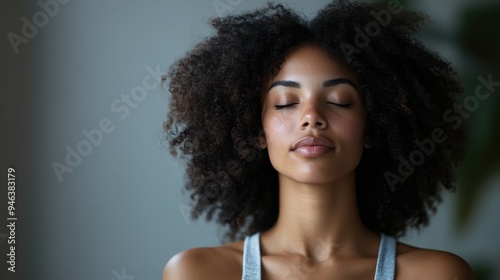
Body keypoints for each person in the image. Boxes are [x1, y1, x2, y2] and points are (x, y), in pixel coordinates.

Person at [162, 1, 474, 279]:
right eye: (285, 102)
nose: (311, 116)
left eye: (339, 100)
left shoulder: (437, 274)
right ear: (257, 131)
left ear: (372, 128)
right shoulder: (197, 272)